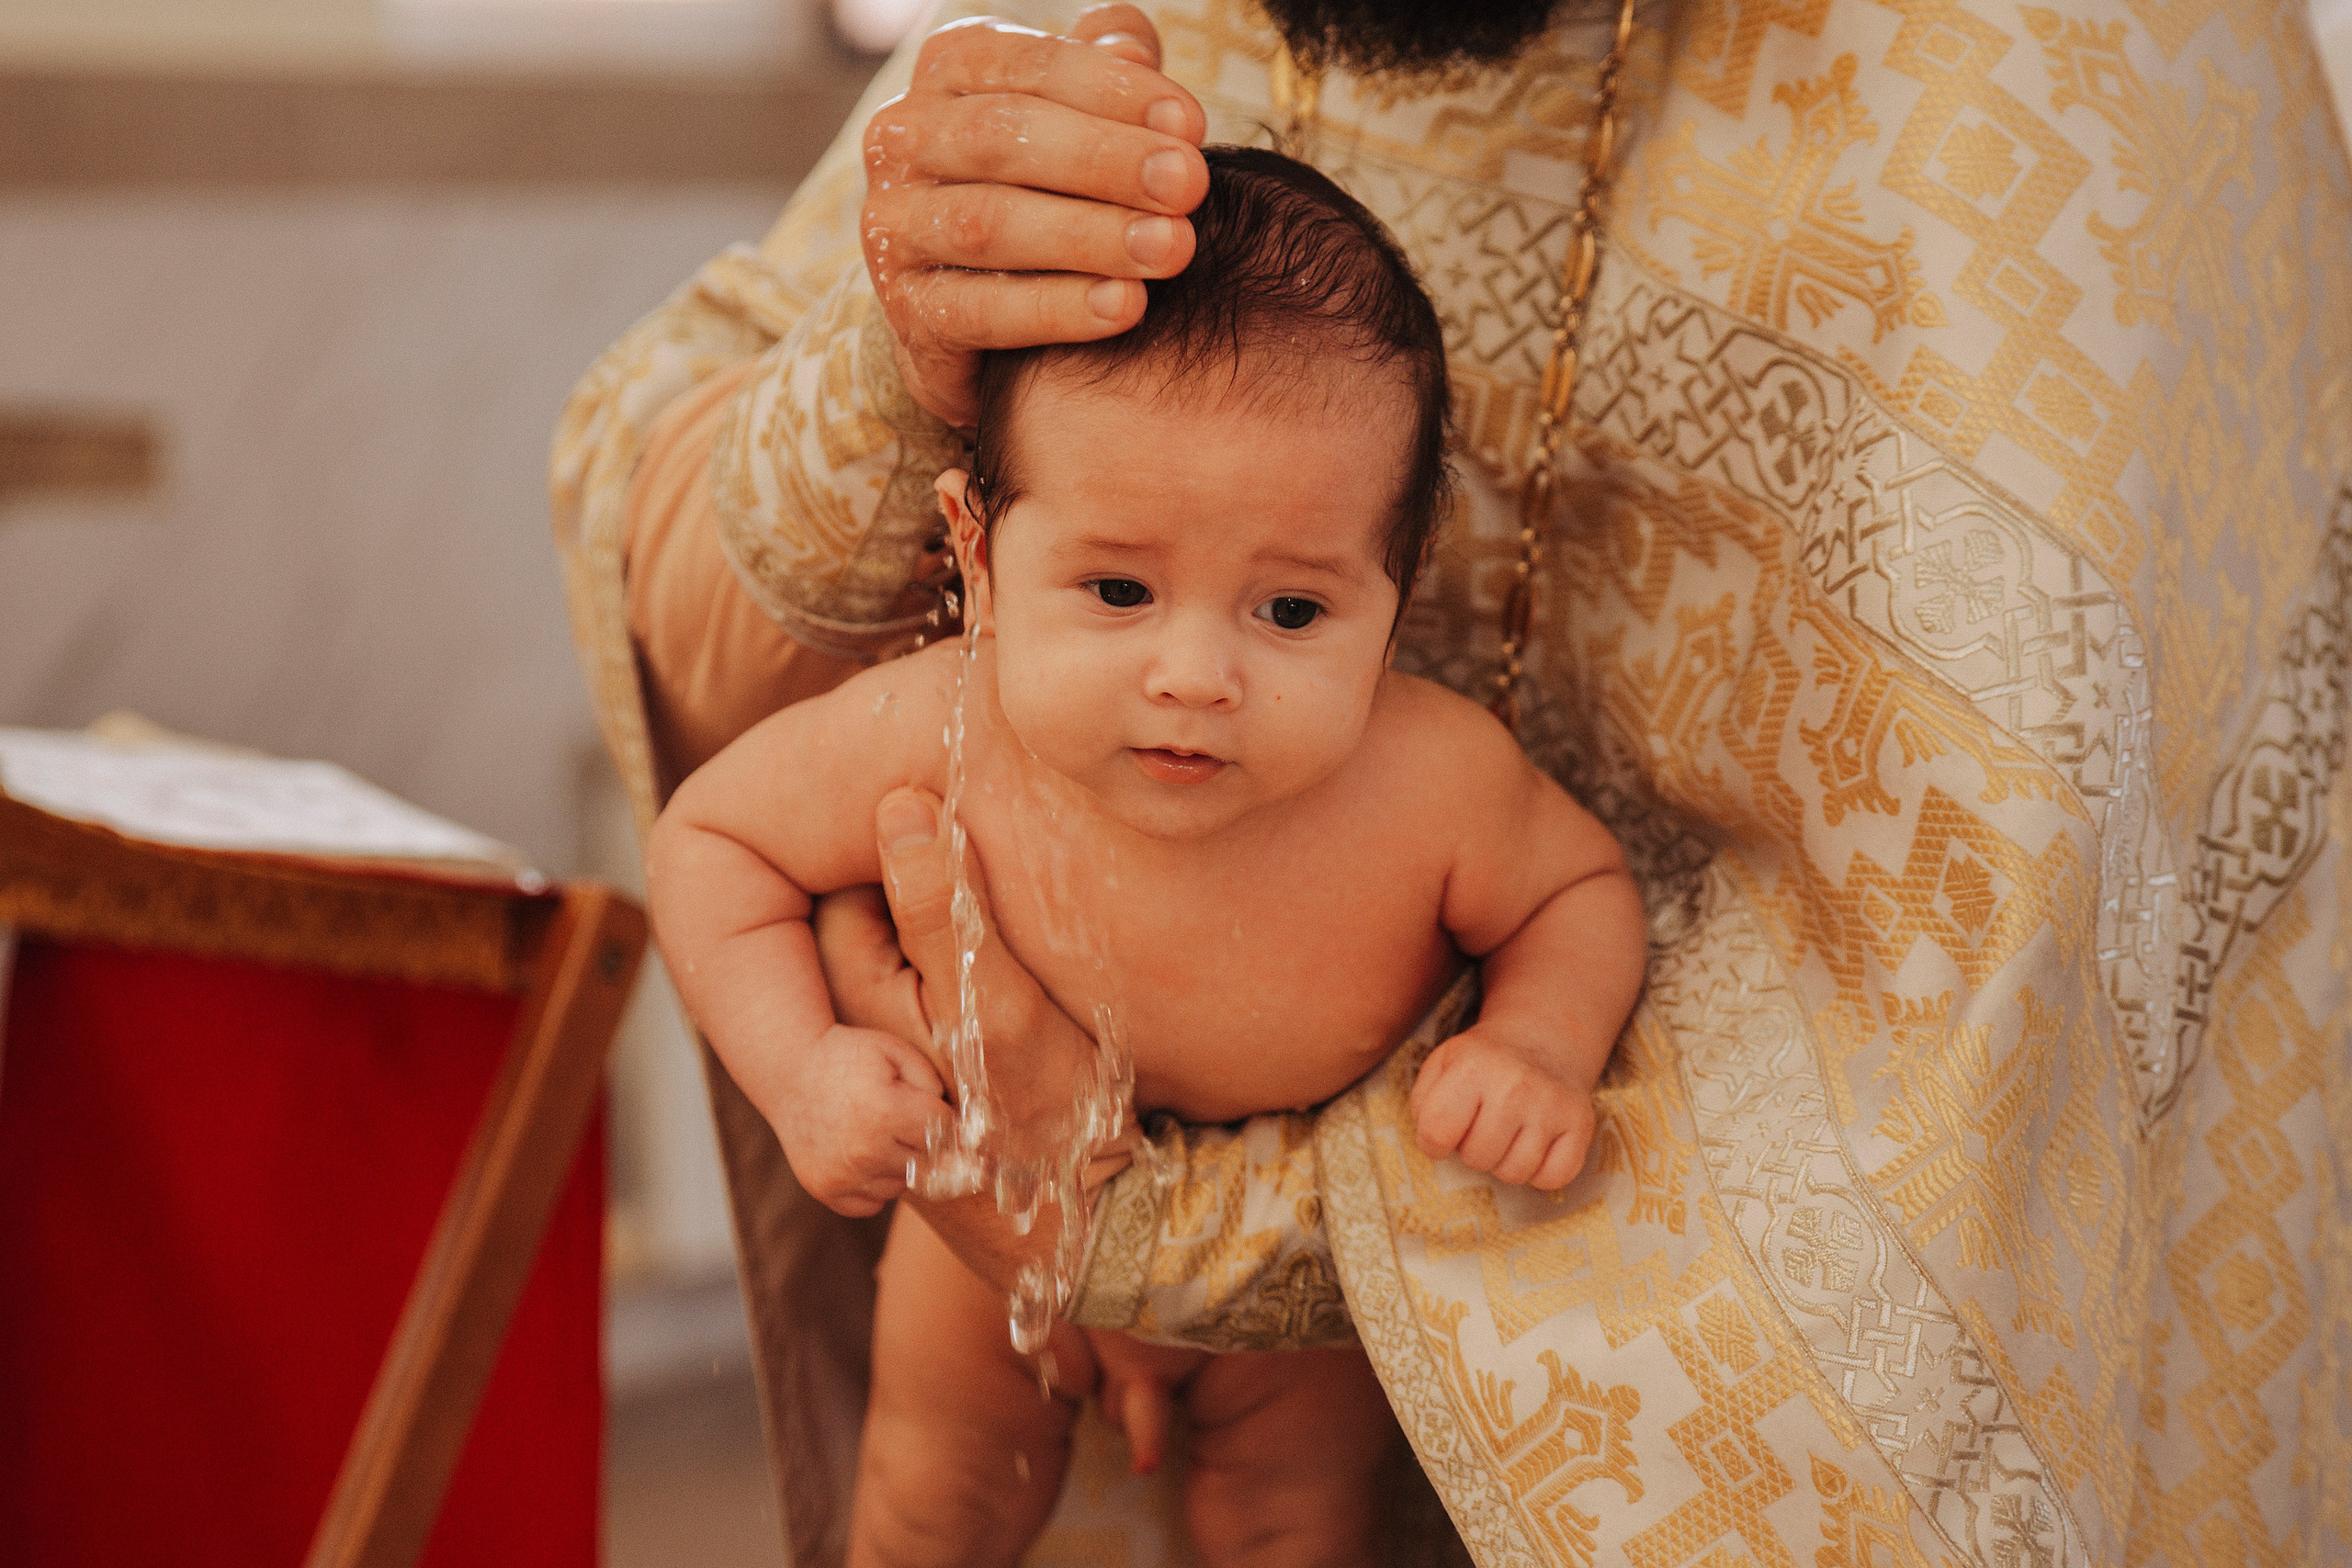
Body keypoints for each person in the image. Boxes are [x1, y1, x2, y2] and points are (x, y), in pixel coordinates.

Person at [552, 0, 2352, 1560]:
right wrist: (890, 367)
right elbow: (670, 523)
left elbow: (1988, 1024)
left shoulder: (2083, 72)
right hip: (1017, 1292)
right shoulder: (1172, 45)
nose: (1192, 668)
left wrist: (1190, 1229)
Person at [645, 148, 1647, 1565]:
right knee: (927, 1510)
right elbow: (711, 845)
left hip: (1293, 1289)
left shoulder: (1432, 785)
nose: (1196, 672)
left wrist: (1539, 1041)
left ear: (1396, 587)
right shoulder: (933, 730)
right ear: (979, 560)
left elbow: (1579, 890)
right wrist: (800, 1066)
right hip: (986, 1231)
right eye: (1117, 590)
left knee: (1292, 1529)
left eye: (1290, 612)